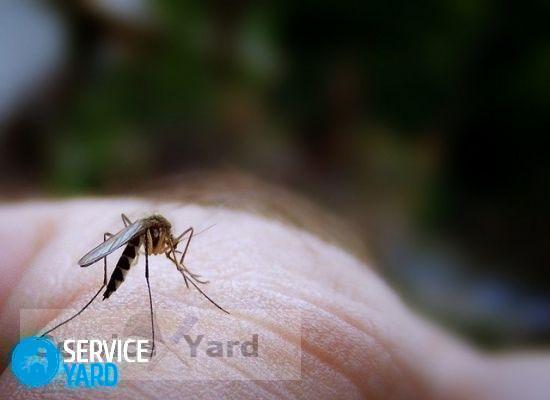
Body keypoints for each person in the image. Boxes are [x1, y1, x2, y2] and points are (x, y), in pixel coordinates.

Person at [0, 176, 548, 399]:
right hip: (127, 249)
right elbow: (145, 244)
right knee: (134, 270)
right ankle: (99, 301)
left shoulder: (168, 233)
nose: (173, 246)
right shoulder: (152, 236)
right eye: (169, 245)